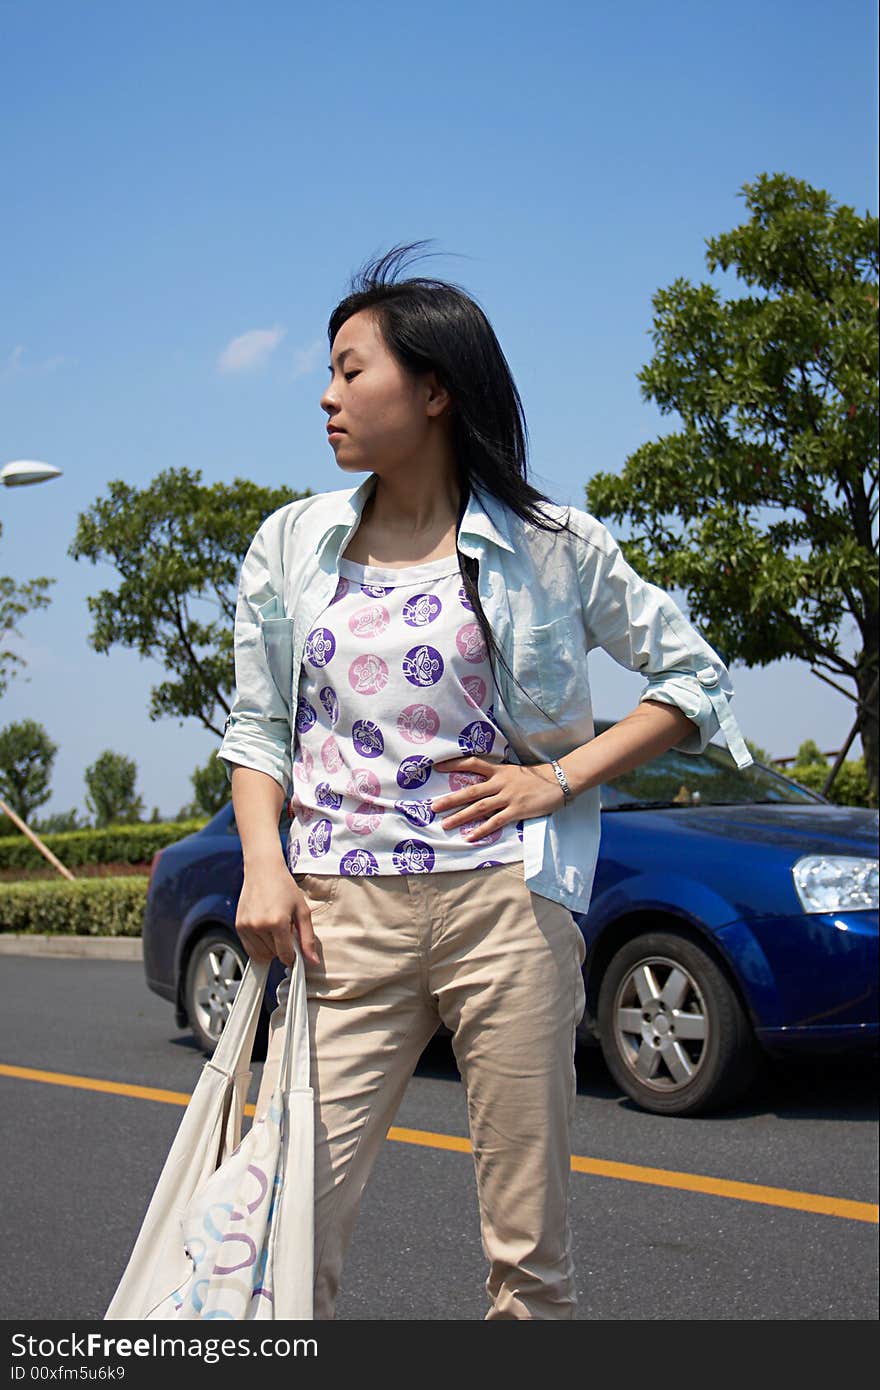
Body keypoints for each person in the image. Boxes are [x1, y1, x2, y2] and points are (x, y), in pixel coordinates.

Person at [217, 242, 753, 1321]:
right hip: (338, 919)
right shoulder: (290, 545)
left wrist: (554, 777)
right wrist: (263, 865)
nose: (326, 394)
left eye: (350, 368)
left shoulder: (552, 545)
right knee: (280, 1228)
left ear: (431, 389)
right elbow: (257, 728)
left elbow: (694, 679)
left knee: (528, 1255)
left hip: (504, 911)